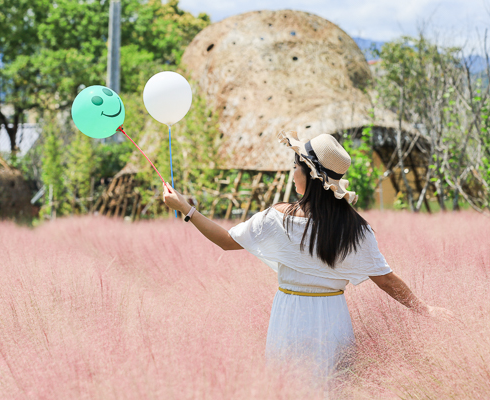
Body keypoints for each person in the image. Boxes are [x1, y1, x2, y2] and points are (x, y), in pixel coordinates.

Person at [162, 130, 453, 384]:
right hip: (332, 317)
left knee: (289, 387)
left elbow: (227, 241)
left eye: (295, 166)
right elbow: (386, 279)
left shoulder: (279, 217)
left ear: (308, 176)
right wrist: (424, 310)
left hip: (289, 315)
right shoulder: (355, 229)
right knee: (333, 388)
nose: (292, 173)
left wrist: (187, 210)